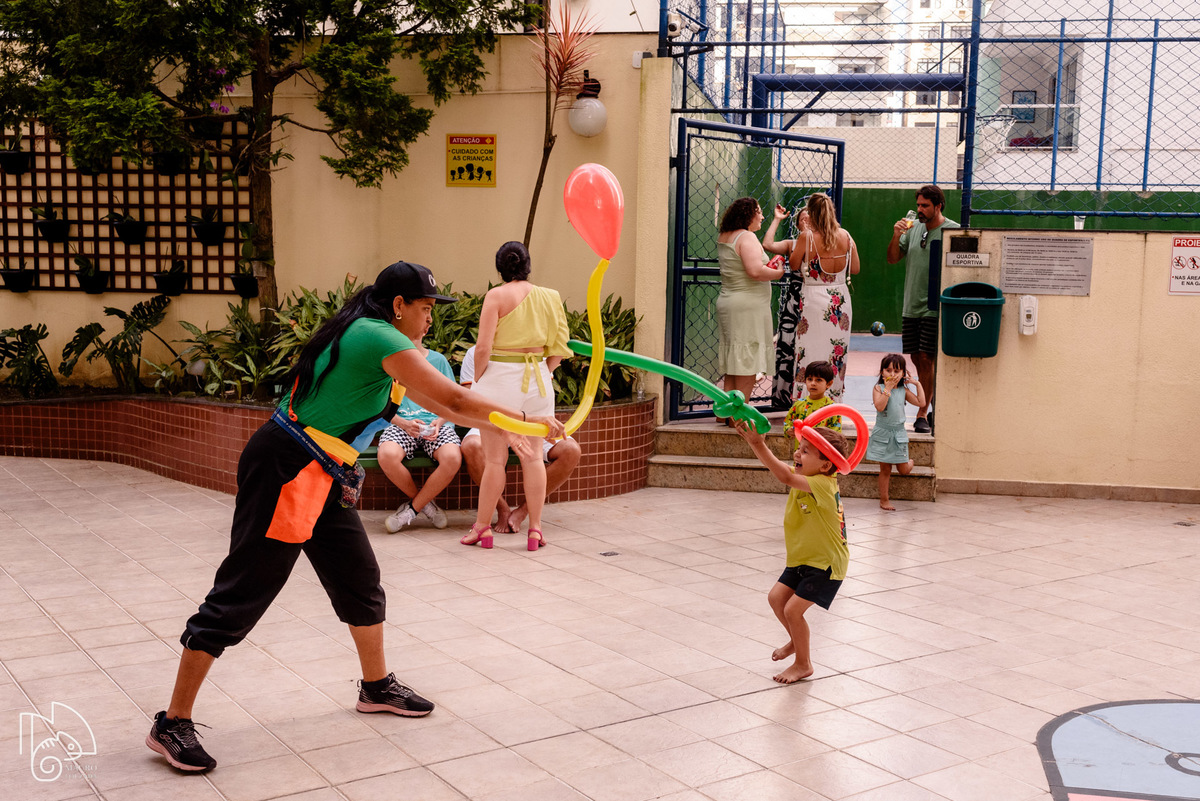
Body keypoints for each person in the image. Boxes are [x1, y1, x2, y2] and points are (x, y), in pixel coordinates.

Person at [146, 261, 564, 773]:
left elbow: (449, 409)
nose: (431, 319)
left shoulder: (383, 342)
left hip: (324, 472)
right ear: (398, 306)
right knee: (242, 593)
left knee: (360, 580)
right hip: (290, 466)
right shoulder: (375, 338)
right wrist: (526, 418)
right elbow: (455, 397)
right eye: (426, 308)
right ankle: (172, 721)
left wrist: (514, 429)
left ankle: (376, 686)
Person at [469, 241, 572, 551]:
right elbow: (560, 347)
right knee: (532, 458)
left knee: (495, 461)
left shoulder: (496, 295)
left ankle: (482, 529)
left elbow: (483, 348)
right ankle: (536, 530)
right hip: (538, 380)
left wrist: (479, 380)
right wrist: (545, 371)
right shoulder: (551, 297)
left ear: (500, 268)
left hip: (500, 377)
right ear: (528, 264)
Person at [734, 419, 851, 684]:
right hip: (803, 559)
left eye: (806, 451)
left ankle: (803, 664)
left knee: (793, 611)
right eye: (800, 447)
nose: (798, 453)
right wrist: (757, 446)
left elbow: (783, 475)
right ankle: (796, 643)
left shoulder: (823, 483)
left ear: (825, 466)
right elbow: (780, 470)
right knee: (777, 599)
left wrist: (757, 443)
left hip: (826, 564)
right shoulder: (808, 477)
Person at [459, 345, 582, 533]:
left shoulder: (536, 355)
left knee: (570, 450)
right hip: (494, 418)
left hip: (531, 421)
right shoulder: (477, 352)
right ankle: (503, 510)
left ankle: (524, 513)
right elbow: (471, 399)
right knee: (472, 446)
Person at [766, 192, 859, 405]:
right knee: (836, 353)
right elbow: (855, 268)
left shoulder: (806, 238)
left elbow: (795, 264)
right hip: (840, 299)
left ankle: (806, 403)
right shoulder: (846, 236)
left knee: (808, 350)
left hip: (814, 297)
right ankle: (833, 401)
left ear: (812, 213)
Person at [377, 301, 462, 533]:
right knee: (386, 455)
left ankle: (411, 510)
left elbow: (452, 403)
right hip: (402, 423)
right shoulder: (390, 362)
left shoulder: (438, 361)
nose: (428, 320)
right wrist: (403, 423)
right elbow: (379, 405)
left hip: (435, 424)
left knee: (453, 458)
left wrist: (440, 421)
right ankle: (424, 505)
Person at [885, 184, 958, 433]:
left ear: (938, 206)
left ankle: (922, 412)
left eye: (925, 205)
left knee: (927, 357)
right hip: (911, 304)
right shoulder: (913, 229)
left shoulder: (953, 231)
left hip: (934, 305)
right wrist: (896, 235)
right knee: (916, 358)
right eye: (918, 205)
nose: (920, 209)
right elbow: (893, 258)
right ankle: (933, 401)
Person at [716, 197, 787, 423]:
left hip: (730, 302)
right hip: (747, 307)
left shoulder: (726, 236)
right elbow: (755, 271)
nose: (762, 216)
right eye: (759, 212)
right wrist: (778, 273)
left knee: (734, 360)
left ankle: (725, 413)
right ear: (749, 214)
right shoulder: (746, 237)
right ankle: (740, 416)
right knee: (746, 360)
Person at [865, 353, 926, 511]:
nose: (892, 374)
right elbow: (880, 406)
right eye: (888, 370)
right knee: (885, 469)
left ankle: (909, 462)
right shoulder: (878, 388)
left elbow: (921, 402)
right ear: (882, 372)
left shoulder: (903, 390)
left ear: (903, 373)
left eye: (897, 371)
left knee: (903, 470)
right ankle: (884, 500)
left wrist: (916, 384)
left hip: (898, 434)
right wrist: (888, 388)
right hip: (883, 433)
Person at [761, 202, 805, 410]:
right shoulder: (792, 243)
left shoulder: (826, 243)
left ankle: (807, 399)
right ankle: (782, 399)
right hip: (795, 300)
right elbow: (767, 244)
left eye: (810, 217)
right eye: (802, 218)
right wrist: (777, 219)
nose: (806, 220)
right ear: (797, 223)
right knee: (788, 346)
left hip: (815, 300)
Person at [782, 360, 841, 443]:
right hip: (801, 452)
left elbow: (836, 434)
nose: (813, 383)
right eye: (810, 379)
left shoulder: (832, 409)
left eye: (819, 380)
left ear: (829, 384)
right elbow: (788, 422)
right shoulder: (799, 404)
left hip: (821, 453)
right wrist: (789, 430)